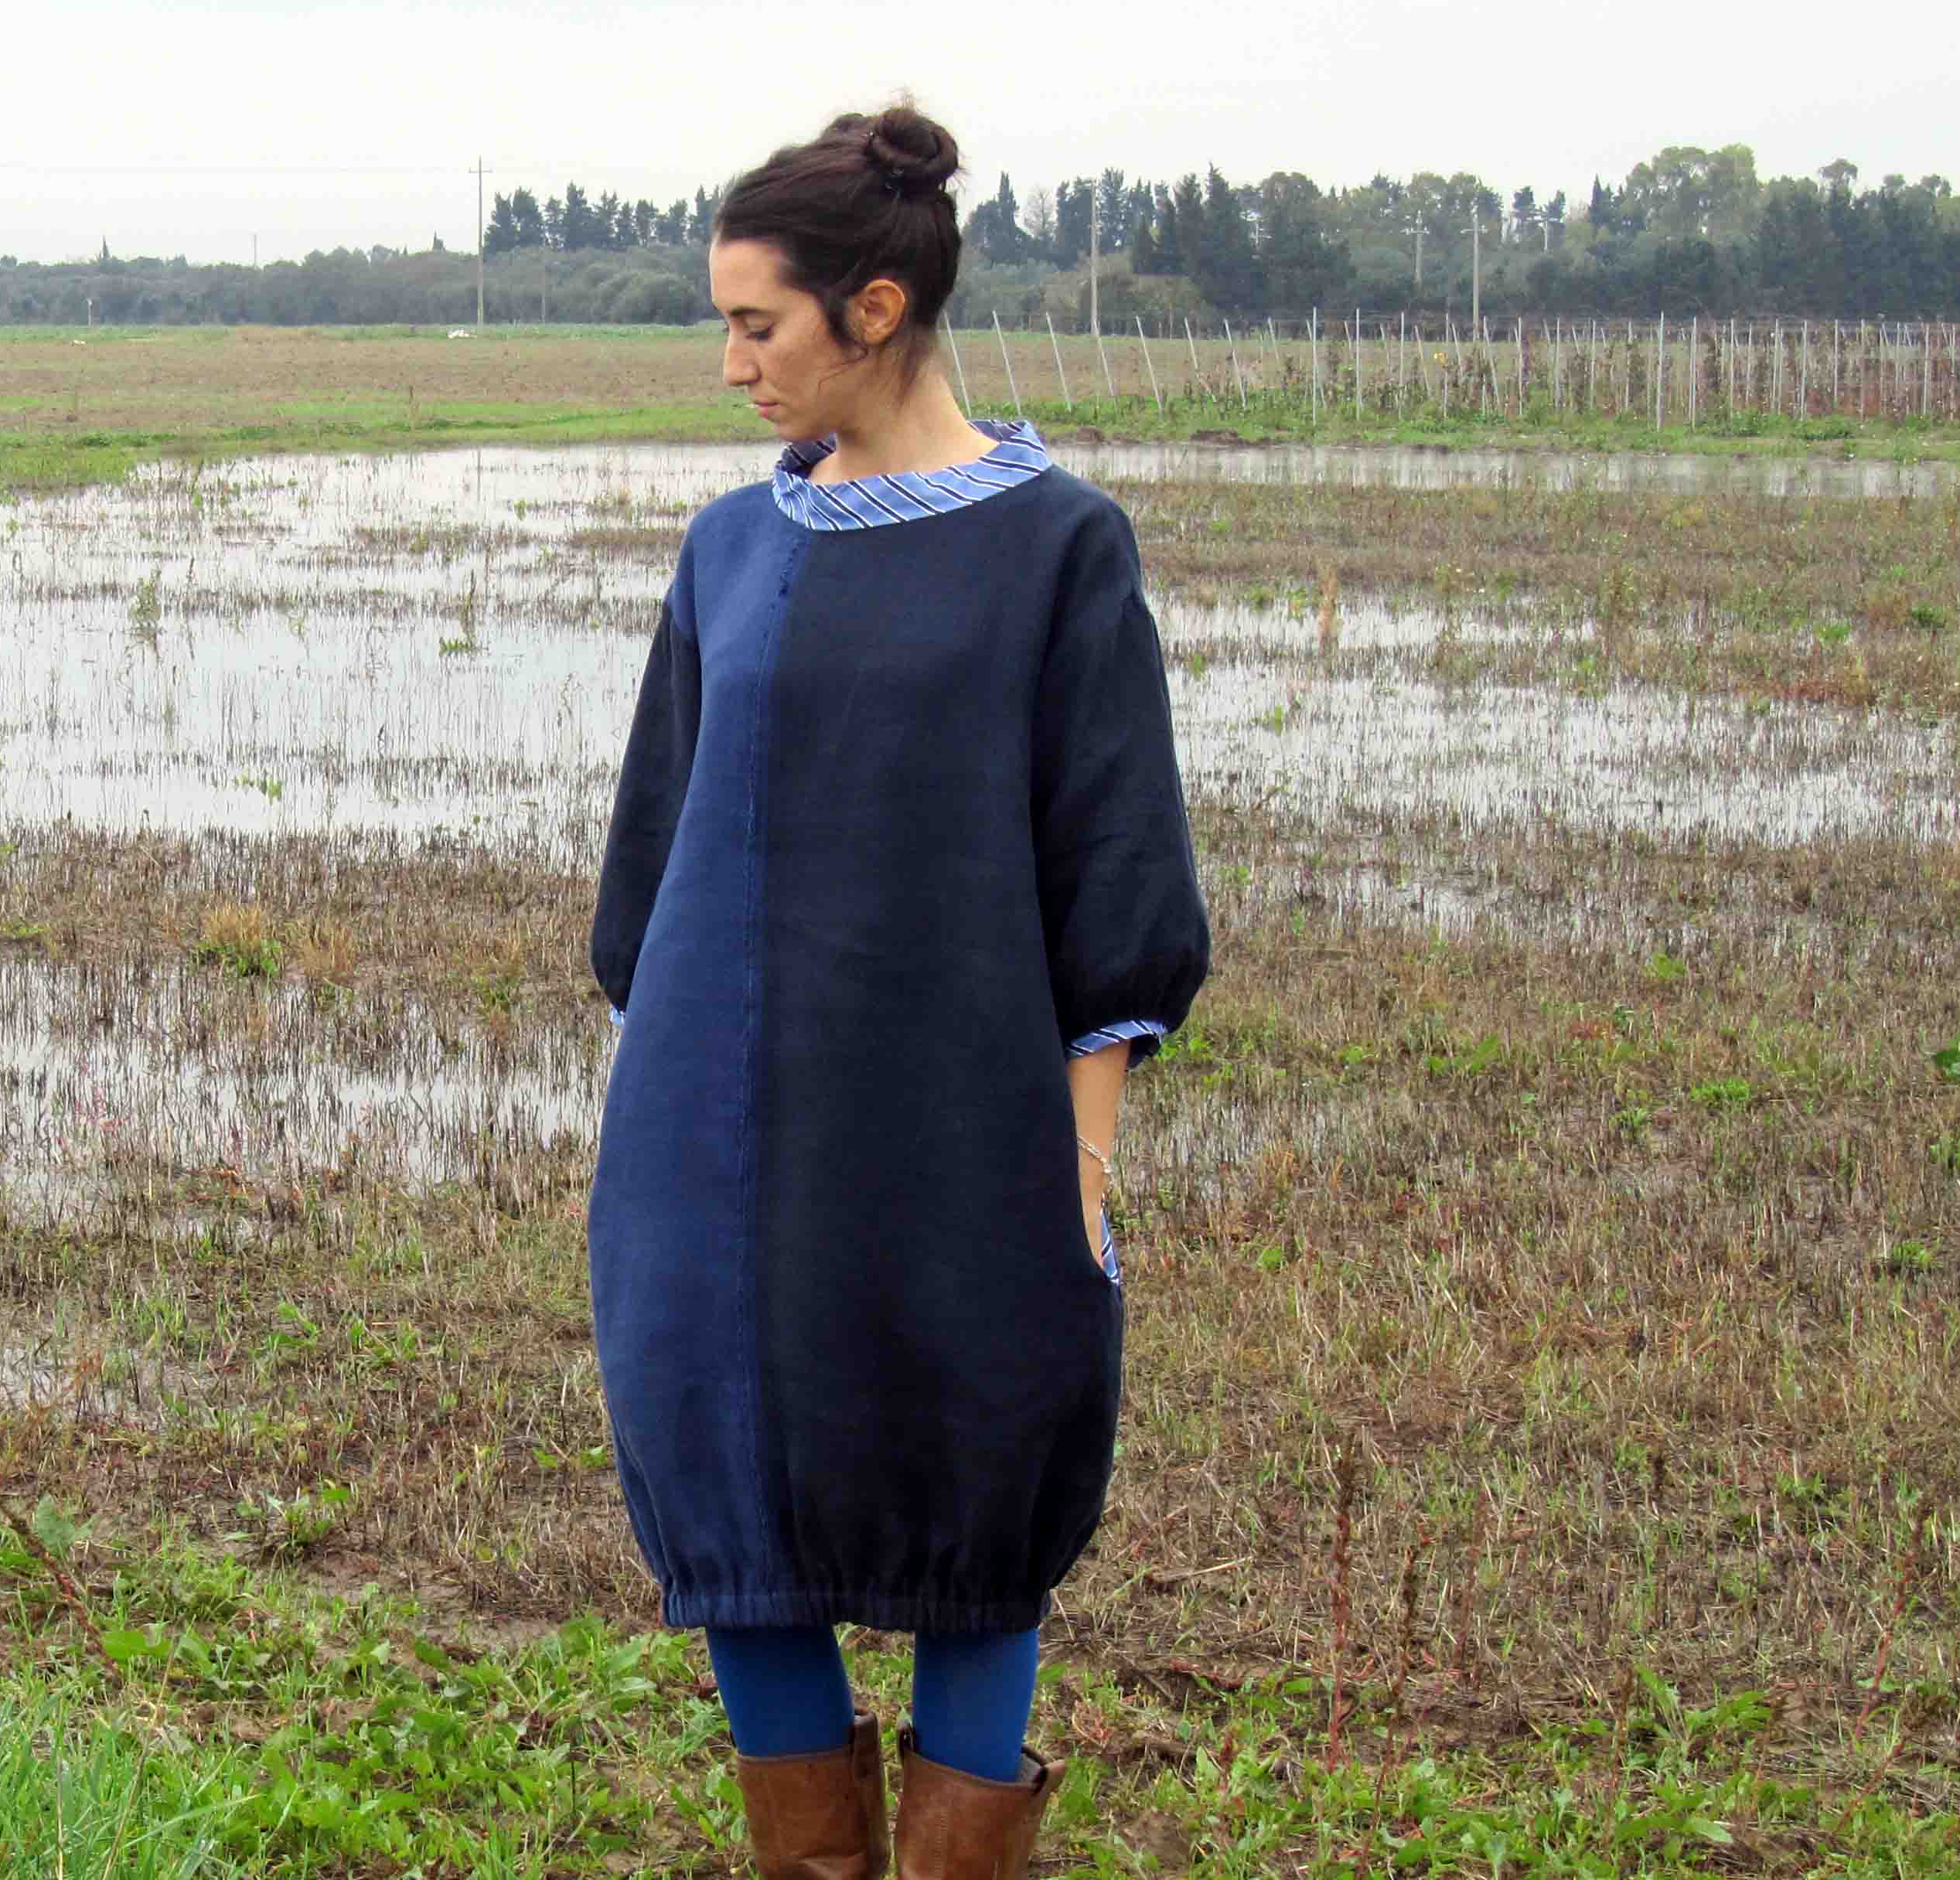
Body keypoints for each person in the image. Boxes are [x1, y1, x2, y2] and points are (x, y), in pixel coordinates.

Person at [586, 101, 1211, 1880]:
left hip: (962, 1131)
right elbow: (658, 869)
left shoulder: (1059, 548)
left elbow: (1115, 874)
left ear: (874, 310)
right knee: (740, 1506)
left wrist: (1081, 1165)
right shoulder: (730, 550)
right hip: (723, 1143)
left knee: (976, 1499)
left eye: (756, 324)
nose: (731, 365)